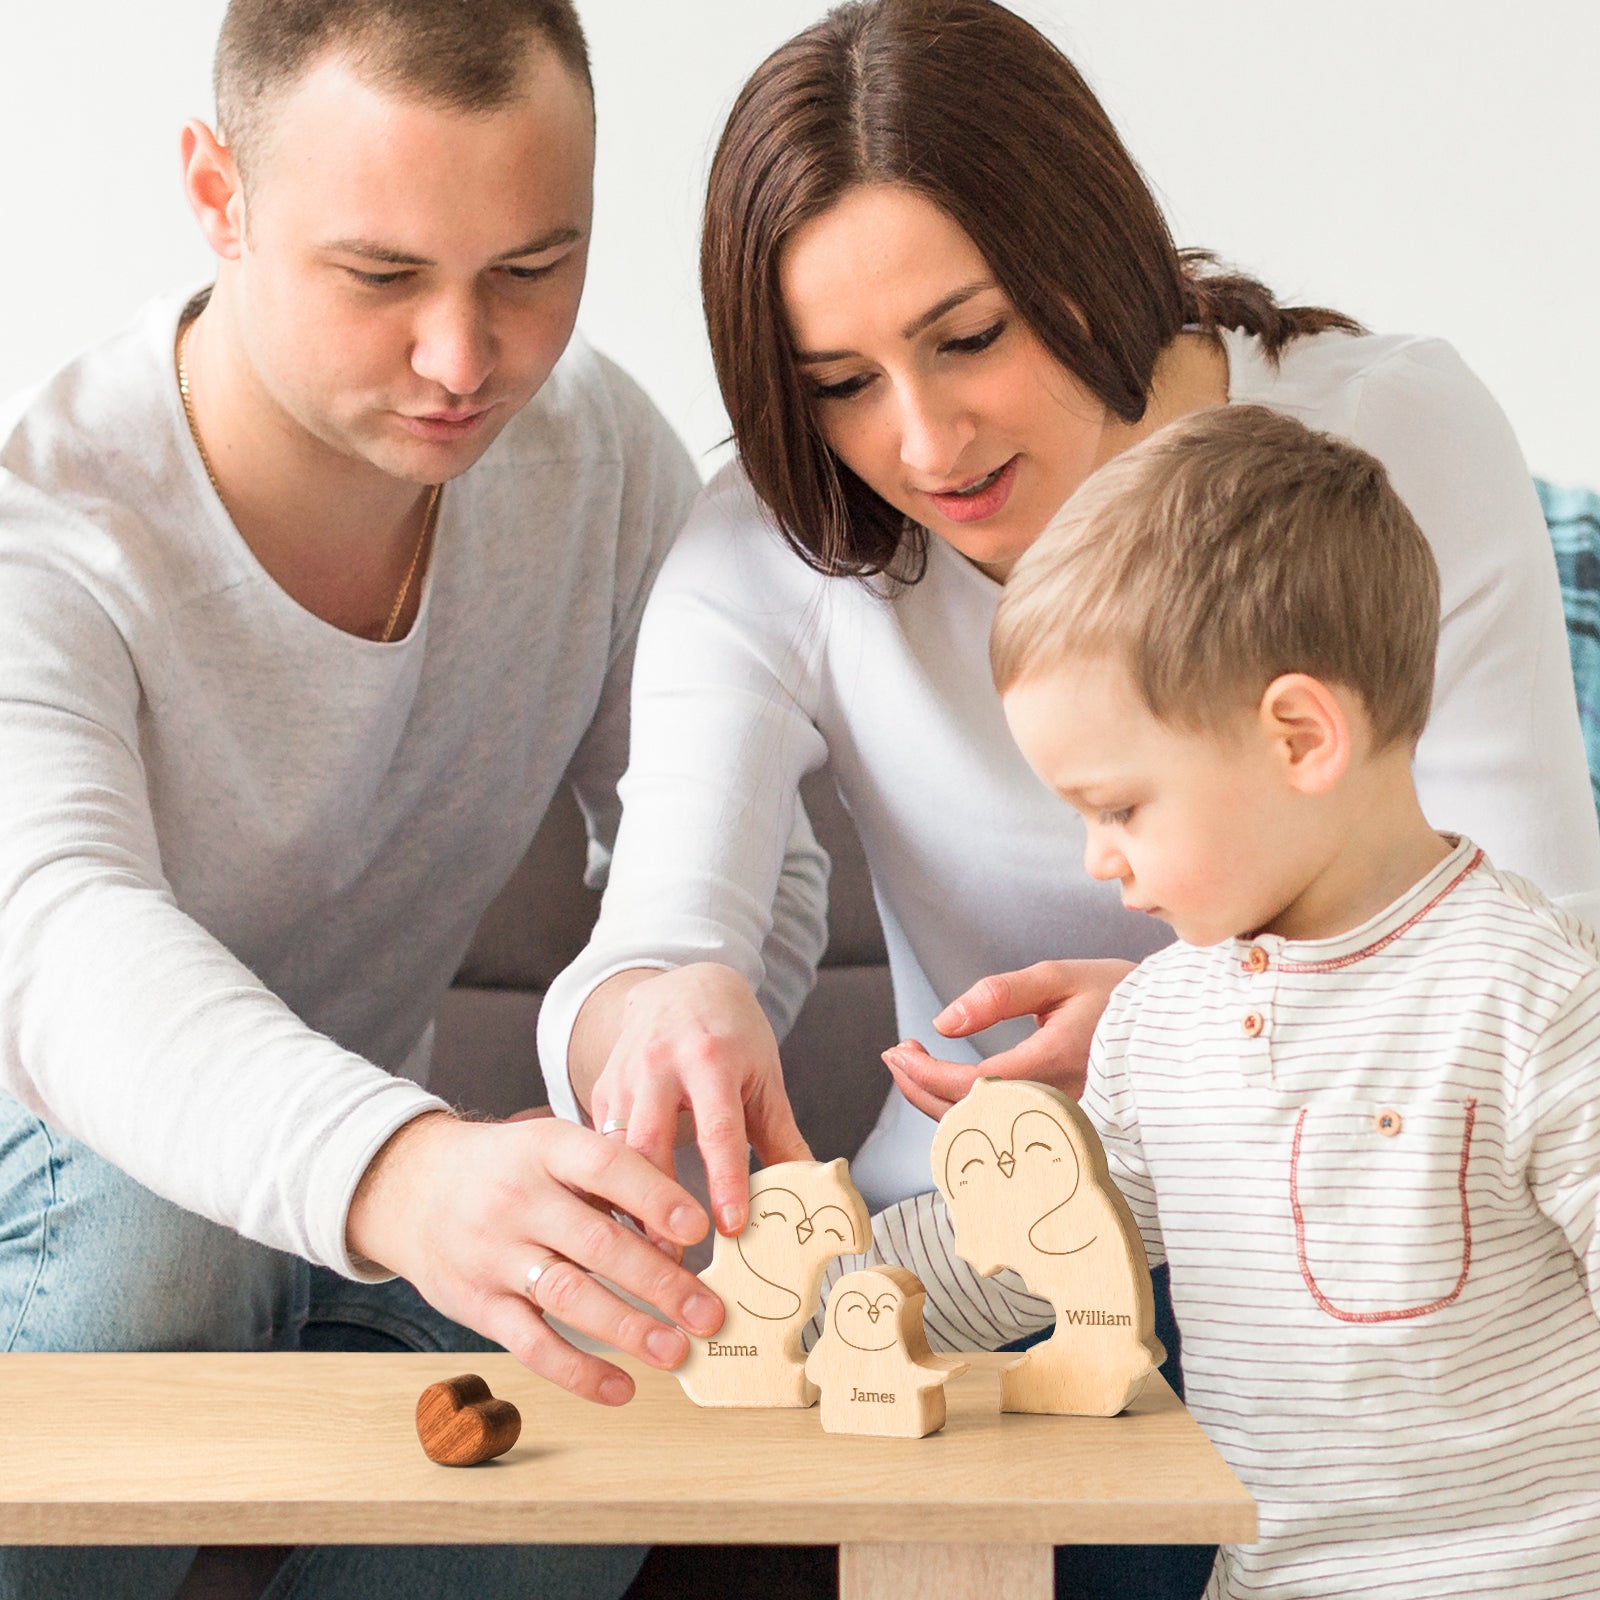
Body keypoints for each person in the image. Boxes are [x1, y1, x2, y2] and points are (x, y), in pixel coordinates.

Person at [536, 0, 1600, 1592]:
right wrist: (666, 1009)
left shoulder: (1374, 440)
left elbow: (1537, 947)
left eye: (969, 337)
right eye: (838, 381)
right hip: (991, 1250)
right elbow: (650, 940)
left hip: (1383, 1238)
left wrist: (1212, 1035)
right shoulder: (774, 546)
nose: (923, 437)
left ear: (1093, 255)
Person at [0, 1, 829, 1594]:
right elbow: (59, 941)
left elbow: (748, 863)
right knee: (152, 1226)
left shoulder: (600, 466)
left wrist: (627, 1099)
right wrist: (399, 1170)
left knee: (640, 1319)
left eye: (532, 271)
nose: (466, 358)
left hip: (358, 1209)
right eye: (380, 278)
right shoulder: (52, 526)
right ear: (217, 195)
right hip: (62, 1172)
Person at [978, 402, 1600, 1597]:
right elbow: (1046, 1247)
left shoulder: (1533, 999)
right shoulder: (1157, 1026)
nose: (1094, 861)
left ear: (1300, 736)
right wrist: (823, 1293)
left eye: (1116, 808)